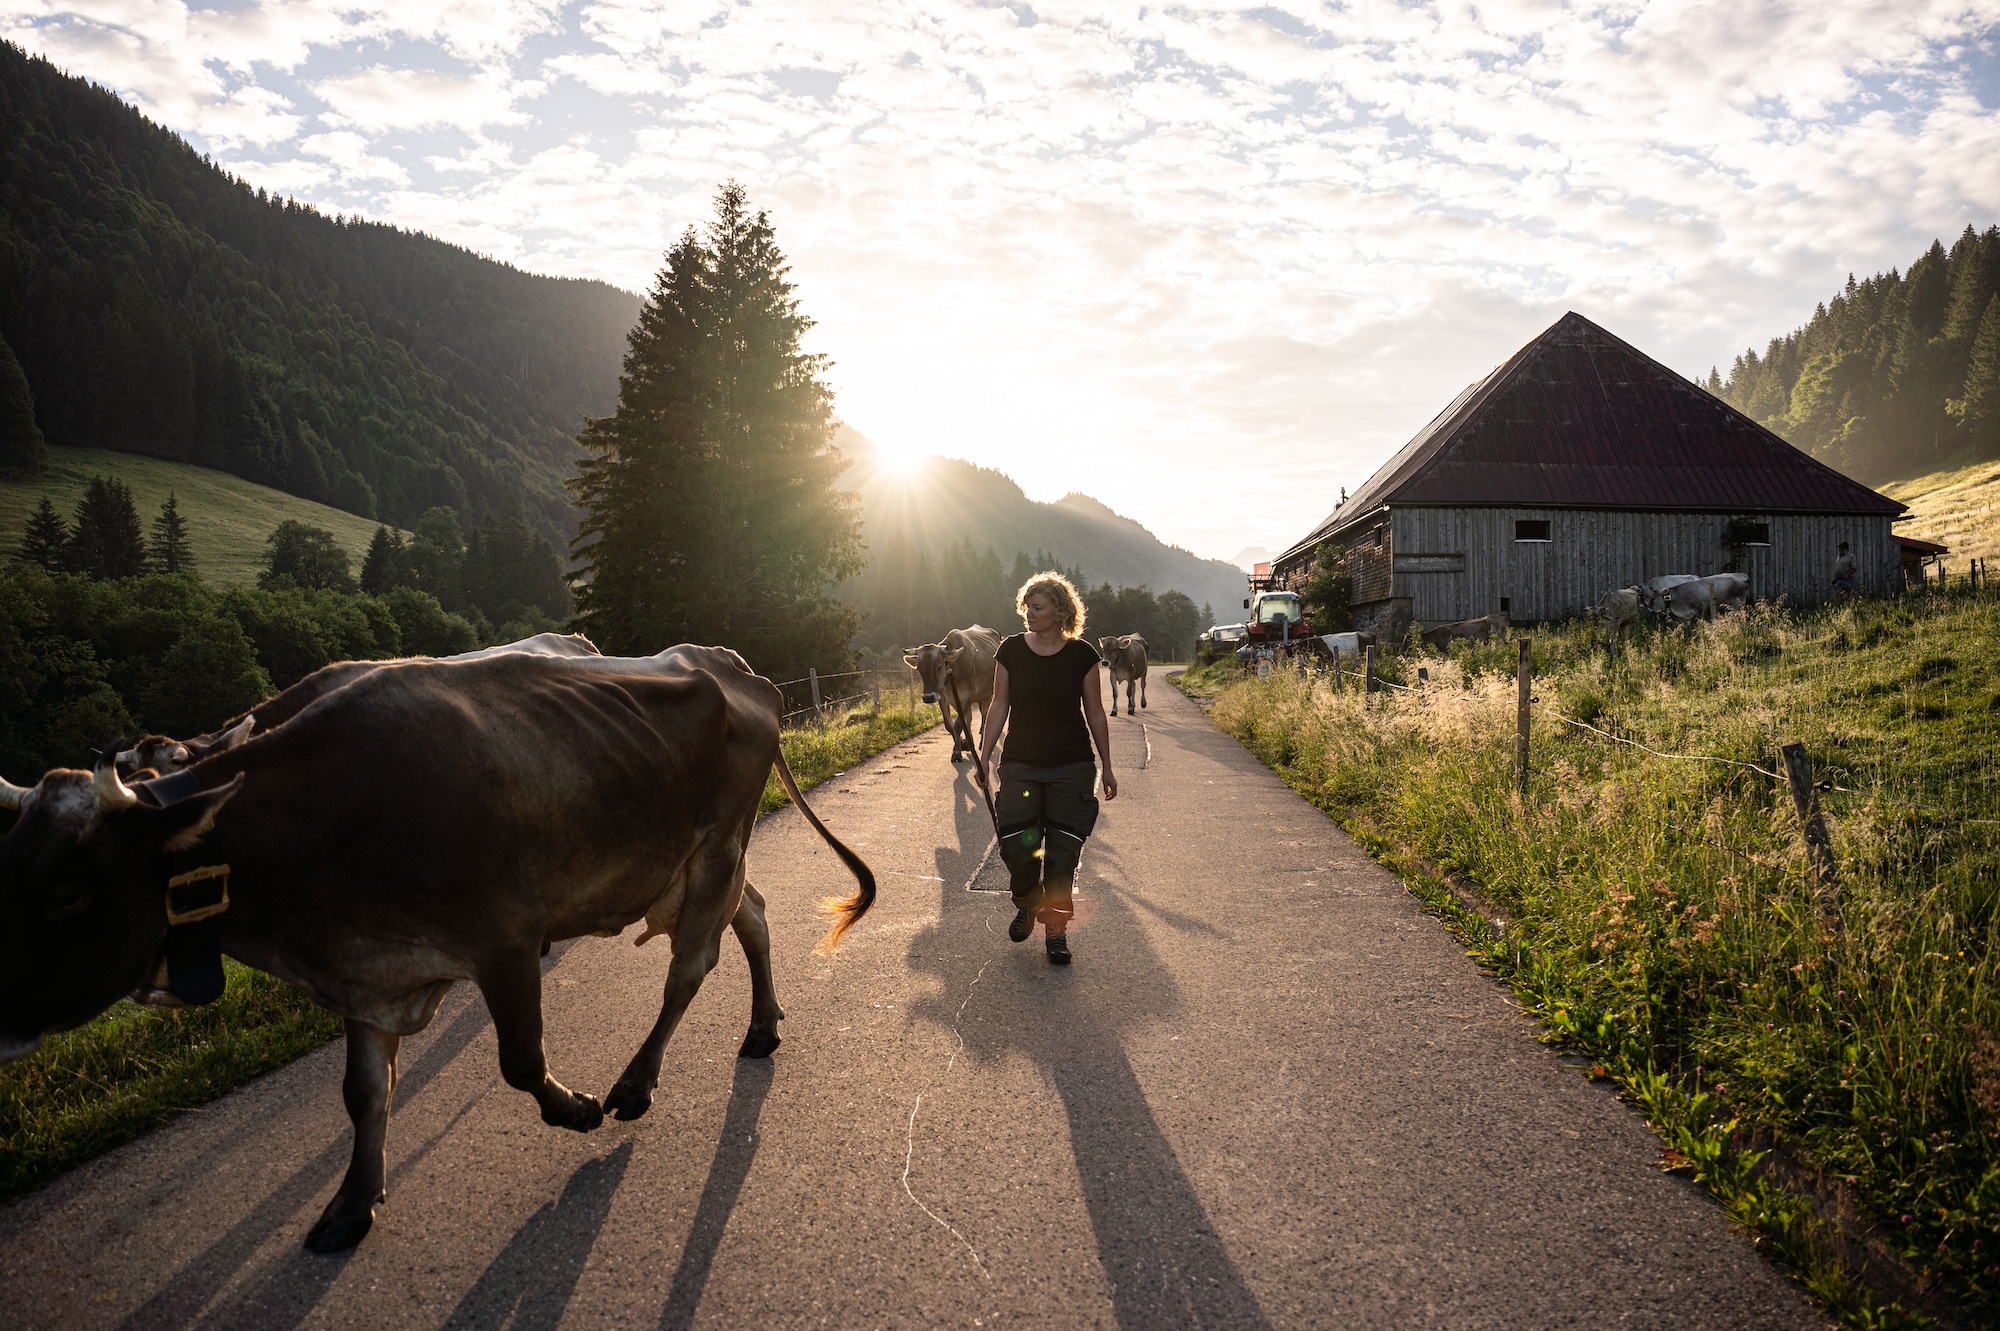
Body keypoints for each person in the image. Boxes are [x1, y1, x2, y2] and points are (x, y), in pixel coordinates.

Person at [974, 572, 1118, 966]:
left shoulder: (1083, 655)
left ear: (1059, 611)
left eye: (1037, 608)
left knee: (1063, 852)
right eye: (1026, 608)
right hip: (1020, 763)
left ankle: (1056, 931)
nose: (1029, 615)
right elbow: (998, 706)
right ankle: (1028, 899)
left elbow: (1095, 713)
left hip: (1071, 766)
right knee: (1017, 845)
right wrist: (984, 757)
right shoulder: (1011, 651)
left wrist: (1107, 765)